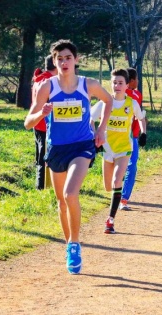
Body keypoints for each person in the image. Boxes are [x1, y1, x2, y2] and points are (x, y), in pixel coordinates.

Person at [24, 39, 113, 275]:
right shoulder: (47, 87)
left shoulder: (88, 85)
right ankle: (68, 246)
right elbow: (27, 122)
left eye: (68, 58)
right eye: (59, 59)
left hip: (82, 146)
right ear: (54, 62)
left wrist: (102, 129)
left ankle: (75, 244)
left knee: (70, 194)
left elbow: (108, 100)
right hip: (56, 149)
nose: (64, 62)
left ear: (76, 60)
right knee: (61, 203)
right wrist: (40, 114)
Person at [91, 69, 146, 234]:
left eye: (120, 83)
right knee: (108, 186)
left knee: (117, 181)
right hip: (107, 148)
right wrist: (95, 134)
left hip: (124, 148)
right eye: (114, 82)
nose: (117, 86)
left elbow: (141, 118)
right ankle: (115, 200)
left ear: (127, 85)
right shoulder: (104, 103)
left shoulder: (132, 103)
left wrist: (143, 133)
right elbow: (90, 119)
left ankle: (110, 220)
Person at [119, 68, 147, 211]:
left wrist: (142, 132)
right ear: (131, 81)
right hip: (122, 135)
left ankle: (123, 198)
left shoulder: (137, 94)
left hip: (133, 135)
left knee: (130, 166)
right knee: (129, 166)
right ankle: (122, 198)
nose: (138, 81)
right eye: (137, 79)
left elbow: (139, 115)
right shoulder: (123, 95)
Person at [32, 55, 58, 190]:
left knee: (39, 157)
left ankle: (41, 185)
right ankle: (42, 187)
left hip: (37, 124)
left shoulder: (39, 79)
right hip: (45, 125)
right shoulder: (49, 82)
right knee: (44, 158)